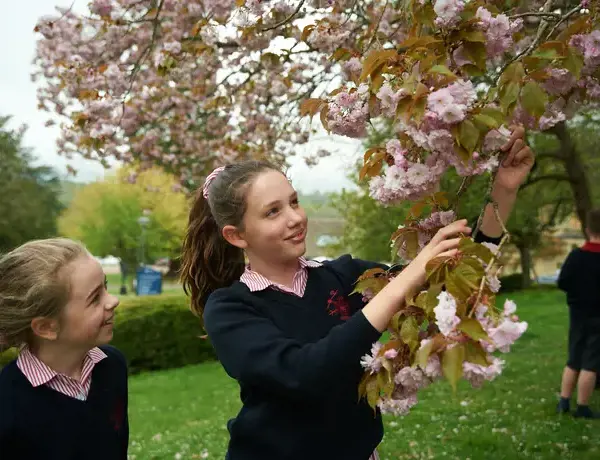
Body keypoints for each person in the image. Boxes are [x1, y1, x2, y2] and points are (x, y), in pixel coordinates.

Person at [180, 128, 534, 459]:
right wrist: (405, 279)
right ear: (237, 236)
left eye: (293, 202)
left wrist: (504, 190)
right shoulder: (230, 307)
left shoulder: (343, 275)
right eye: (273, 212)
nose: (295, 218)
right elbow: (303, 373)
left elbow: (455, 282)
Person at [0, 238, 129, 459]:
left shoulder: (112, 365)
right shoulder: (9, 408)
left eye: (105, 287)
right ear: (47, 327)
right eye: (95, 298)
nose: (113, 301)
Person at [556, 209, 600, 419]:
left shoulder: (576, 256)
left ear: (587, 229)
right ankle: (582, 406)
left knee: (574, 356)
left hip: (578, 313)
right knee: (591, 361)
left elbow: (562, 282)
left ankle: (563, 401)